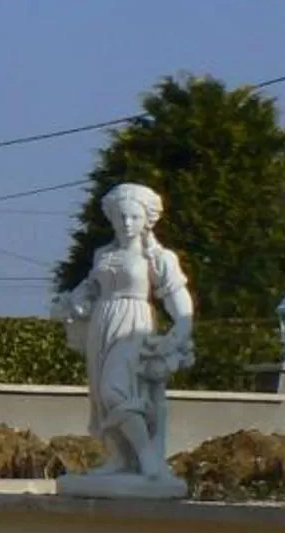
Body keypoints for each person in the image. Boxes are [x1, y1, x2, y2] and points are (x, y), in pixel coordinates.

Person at [54, 183, 194, 485]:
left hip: (134, 324)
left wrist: (180, 332)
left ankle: (146, 456)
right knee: (101, 398)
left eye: (133, 217)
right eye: (121, 217)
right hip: (102, 324)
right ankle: (119, 458)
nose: (127, 223)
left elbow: (178, 300)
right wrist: (75, 301)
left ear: (146, 220)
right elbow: (90, 289)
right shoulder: (103, 254)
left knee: (114, 390)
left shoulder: (157, 257)